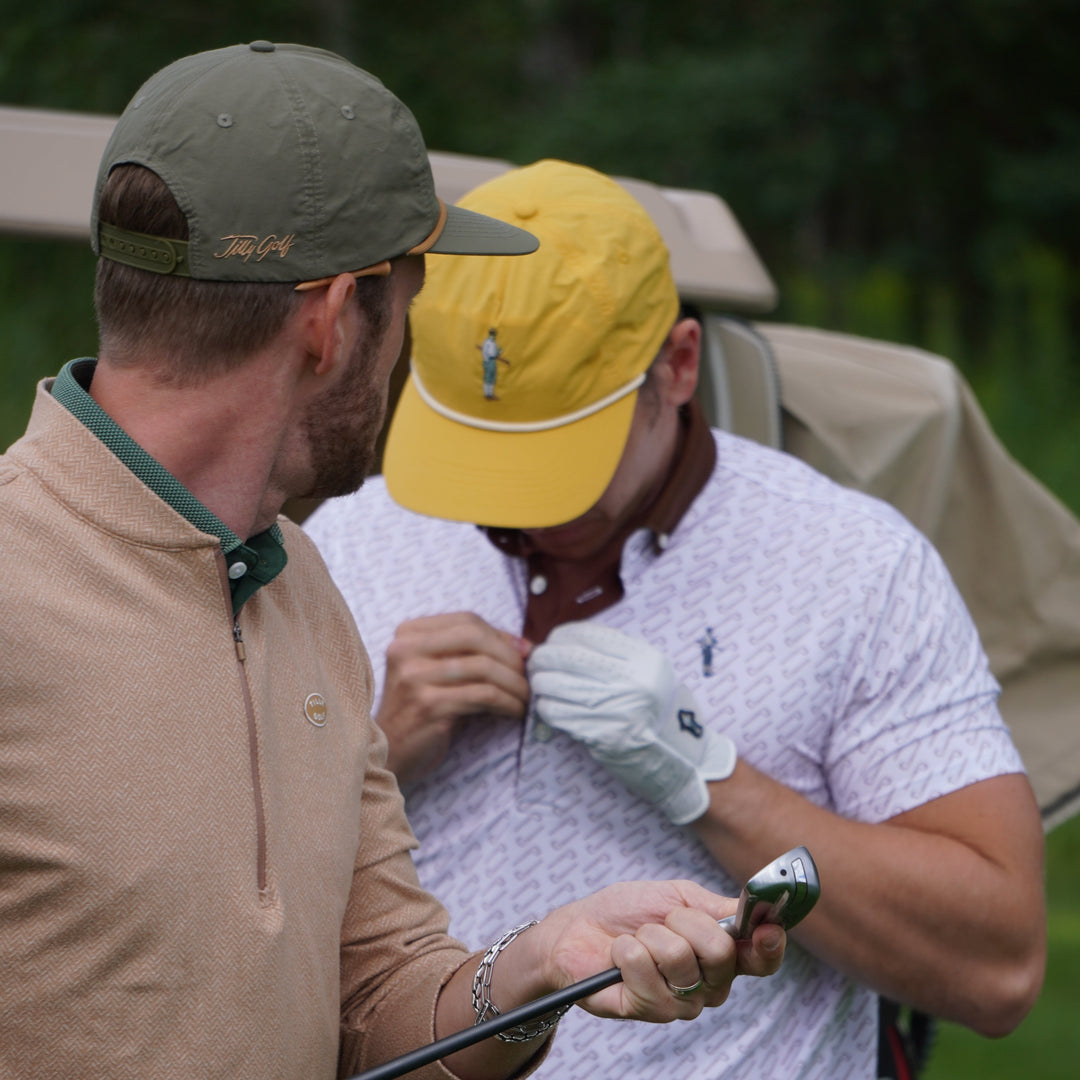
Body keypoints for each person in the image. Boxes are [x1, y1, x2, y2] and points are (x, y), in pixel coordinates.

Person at [0, 50, 788, 1080]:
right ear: (332, 321)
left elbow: (379, 1001)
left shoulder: (303, 590)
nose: (403, 359)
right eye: (407, 313)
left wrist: (545, 962)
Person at [304, 159, 1048, 1080]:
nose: (512, 508)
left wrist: (708, 776)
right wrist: (370, 754)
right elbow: (205, 900)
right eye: (482, 453)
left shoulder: (854, 565)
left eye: (559, 454)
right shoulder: (343, 540)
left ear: (680, 366)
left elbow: (1000, 966)